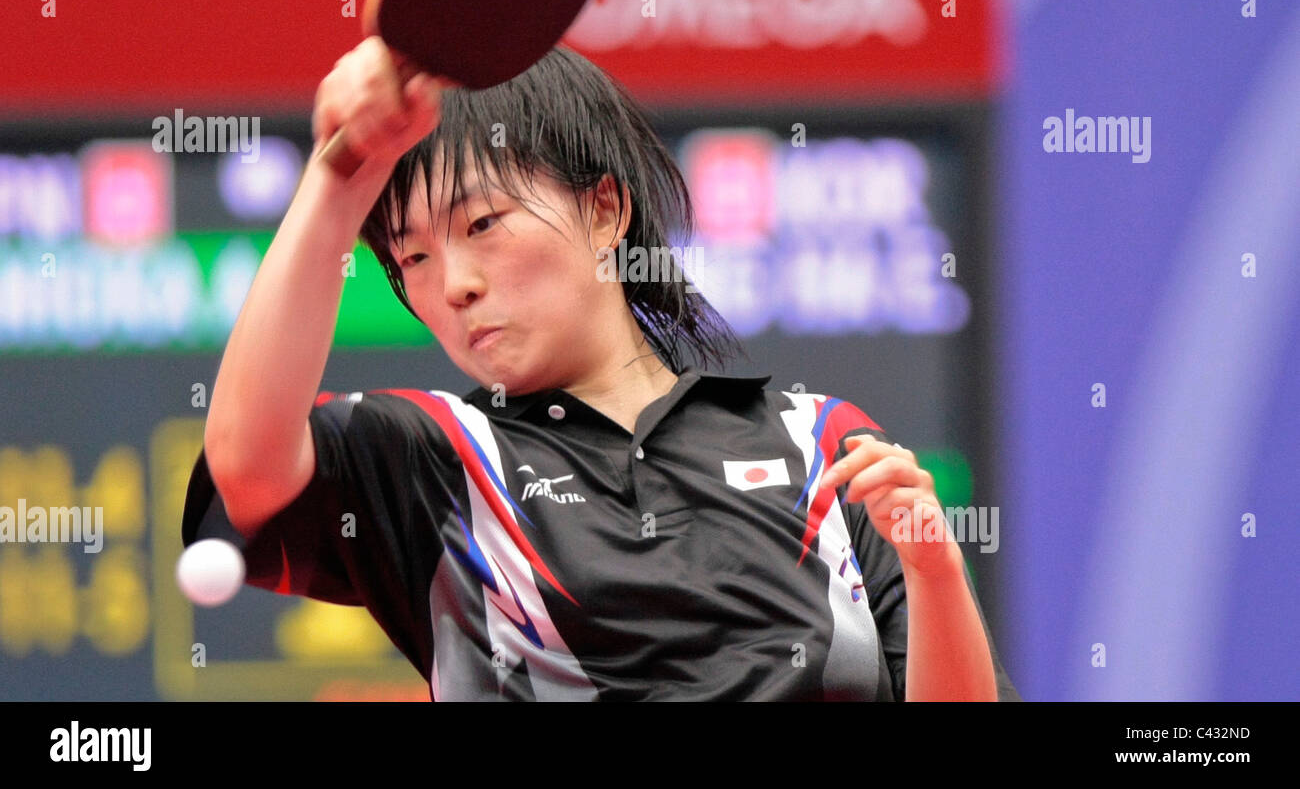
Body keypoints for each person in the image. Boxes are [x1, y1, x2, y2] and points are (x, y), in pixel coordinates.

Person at [181, 37, 1021, 701]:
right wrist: (338, 178)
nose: (455, 285)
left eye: (481, 225)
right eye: (414, 259)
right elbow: (247, 464)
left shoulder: (823, 448)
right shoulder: (435, 462)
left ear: (605, 210)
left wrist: (936, 571)